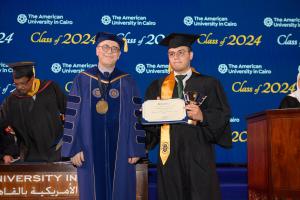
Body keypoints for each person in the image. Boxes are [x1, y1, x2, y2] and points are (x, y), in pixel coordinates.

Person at [144, 33, 232, 200]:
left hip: (198, 152)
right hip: (168, 154)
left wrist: (203, 116)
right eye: (171, 53)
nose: (175, 57)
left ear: (191, 55)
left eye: (181, 52)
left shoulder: (209, 83)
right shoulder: (157, 86)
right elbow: (149, 128)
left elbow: (223, 115)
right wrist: (152, 116)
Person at [61, 32, 145, 200]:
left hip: (121, 150)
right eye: (105, 47)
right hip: (88, 149)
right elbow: (72, 117)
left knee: (120, 191)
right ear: (97, 51)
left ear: (119, 54)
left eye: (115, 48)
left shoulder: (128, 81)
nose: (110, 51)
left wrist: (135, 148)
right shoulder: (82, 79)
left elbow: (136, 118)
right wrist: (74, 147)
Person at [0, 61, 66, 162]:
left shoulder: (51, 88)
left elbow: (71, 113)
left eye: (23, 83)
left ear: (32, 79)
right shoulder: (11, 100)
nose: (19, 87)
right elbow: (2, 126)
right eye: (16, 84)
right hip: (28, 156)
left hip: (56, 152)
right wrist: (6, 152)